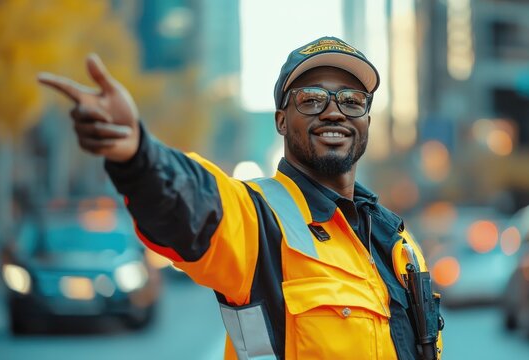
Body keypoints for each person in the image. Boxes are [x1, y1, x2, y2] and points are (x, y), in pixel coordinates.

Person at [38, 36, 443, 360]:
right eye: (311, 99)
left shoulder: (399, 244)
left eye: (352, 100)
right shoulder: (259, 219)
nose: (334, 112)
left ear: (367, 120)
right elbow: (194, 203)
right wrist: (139, 156)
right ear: (281, 121)